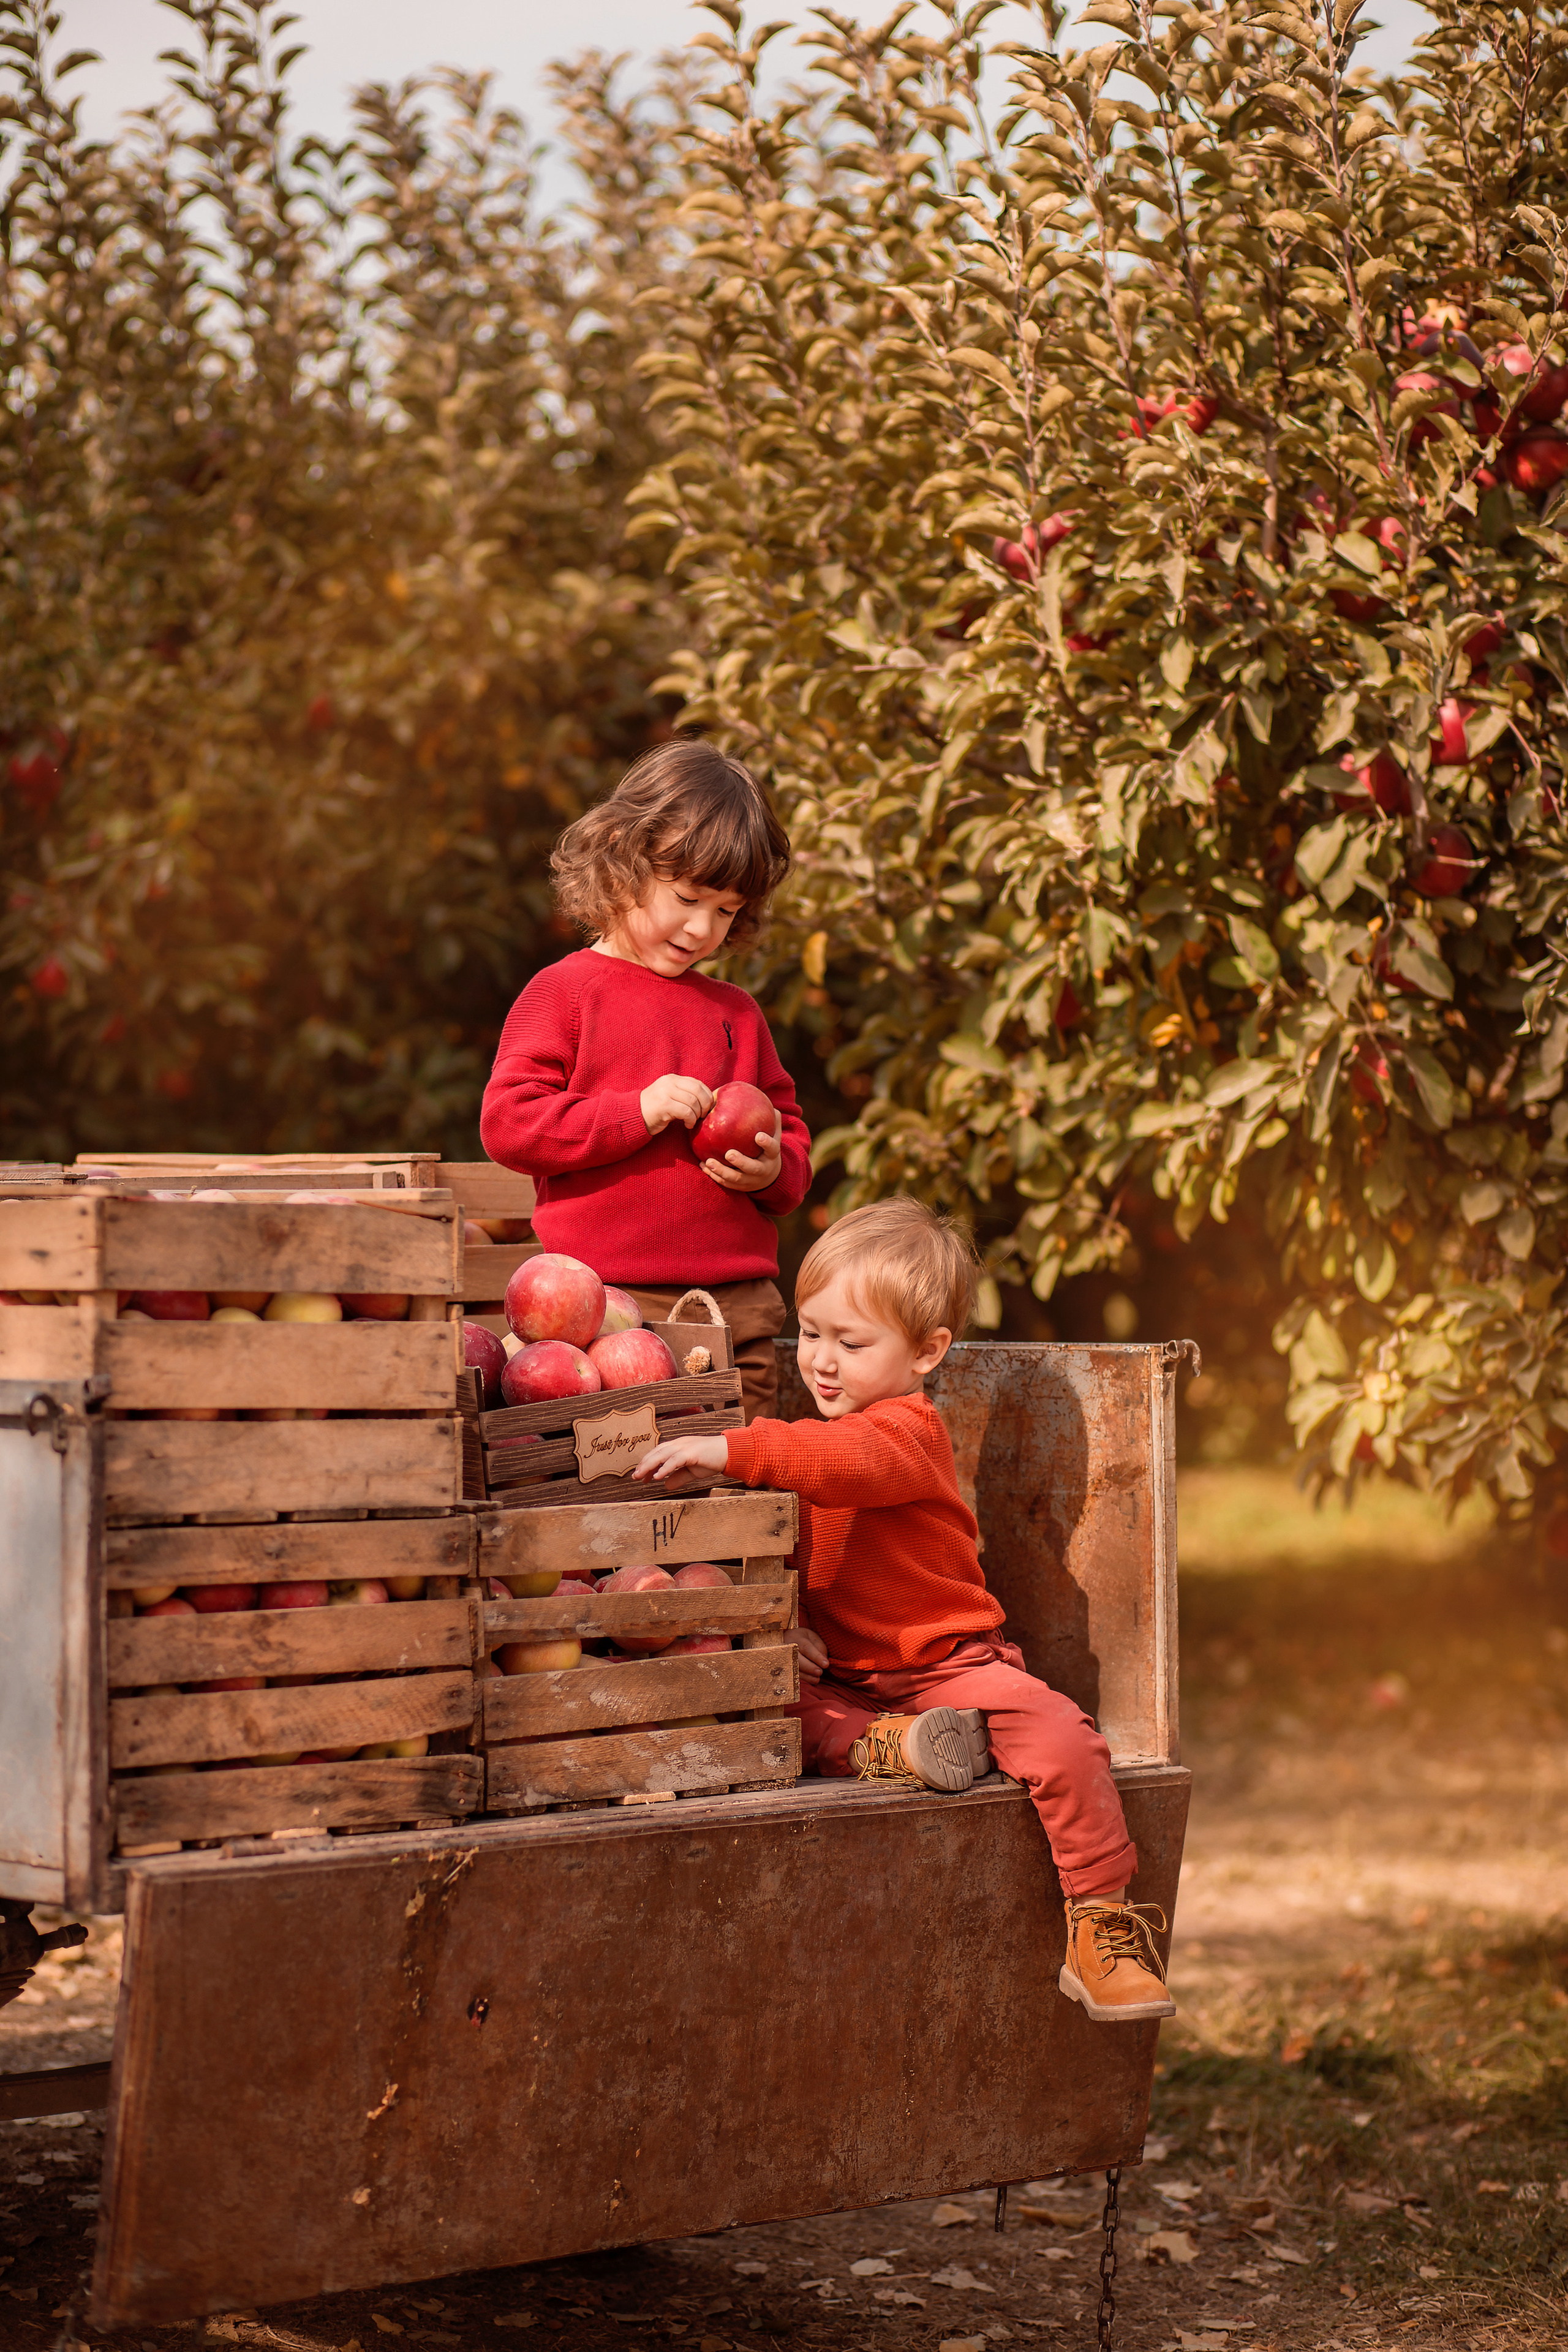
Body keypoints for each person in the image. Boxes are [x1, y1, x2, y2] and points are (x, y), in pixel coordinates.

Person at [633, 1196, 1176, 2025]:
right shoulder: (815, 1437)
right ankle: (892, 1750)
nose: (821, 1360)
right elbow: (794, 1549)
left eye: (851, 1344)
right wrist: (786, 1625)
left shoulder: (902, 1434)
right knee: (773, 1707)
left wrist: (732, 1447)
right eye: (811, 1332)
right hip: (856, 1684)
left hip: (951, 1670)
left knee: (1066, 1739)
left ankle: (1100, 1926)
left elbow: (840, 1466)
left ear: (928, 1353)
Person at [480, 738, 810, 1420]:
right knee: (622, 1487)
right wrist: (637, 1111)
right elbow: (510, 1123)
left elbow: (790, 1133)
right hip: (605, 1311)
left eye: (725, 911)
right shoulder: (565, 994)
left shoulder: (736, 1014)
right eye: (688, 897)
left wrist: (772, 1167)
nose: (701, 928)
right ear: (624, 862)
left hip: (736, 1308)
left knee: (741, 1485)